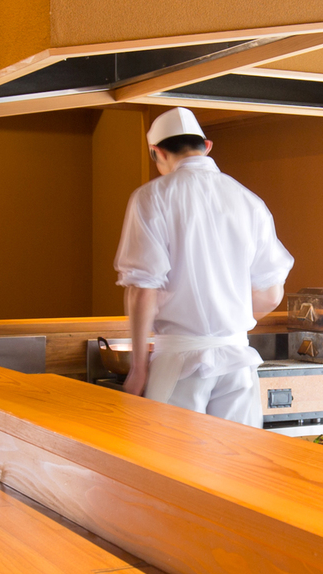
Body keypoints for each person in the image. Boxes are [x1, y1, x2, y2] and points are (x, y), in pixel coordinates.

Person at [114, 107, 293, 427]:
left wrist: (139, 369)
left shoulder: (152, 197)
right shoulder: (249, 201)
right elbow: (270, 294)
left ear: (157, 152)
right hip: (237, 360)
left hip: (179, 363)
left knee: (170, 468)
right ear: (206, 146)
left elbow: (143, 290)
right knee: (235, 468)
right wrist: (226, 317)